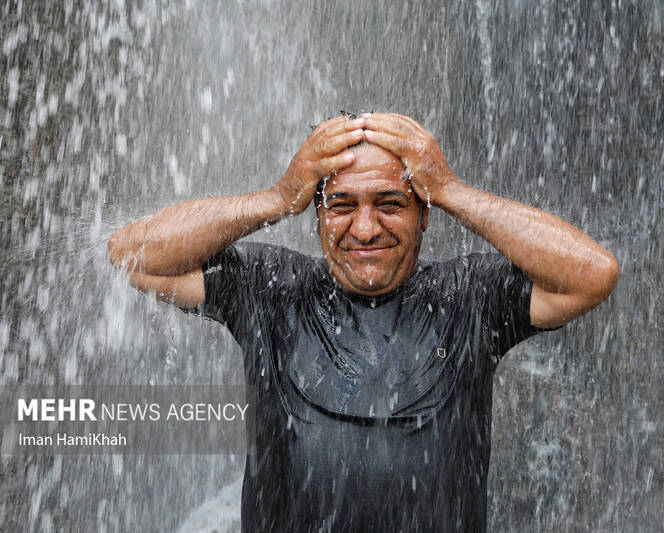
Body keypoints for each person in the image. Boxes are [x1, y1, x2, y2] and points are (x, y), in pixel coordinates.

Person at [108, 112, 618, 532]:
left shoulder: (469, 299)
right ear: (316, 215)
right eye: (342, 205)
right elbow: (132, 253)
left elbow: (591, 274)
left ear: (424, 214)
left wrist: (451, 189)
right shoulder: (272, 289)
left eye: (390, 204)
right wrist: (276, 198)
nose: (366, 228)